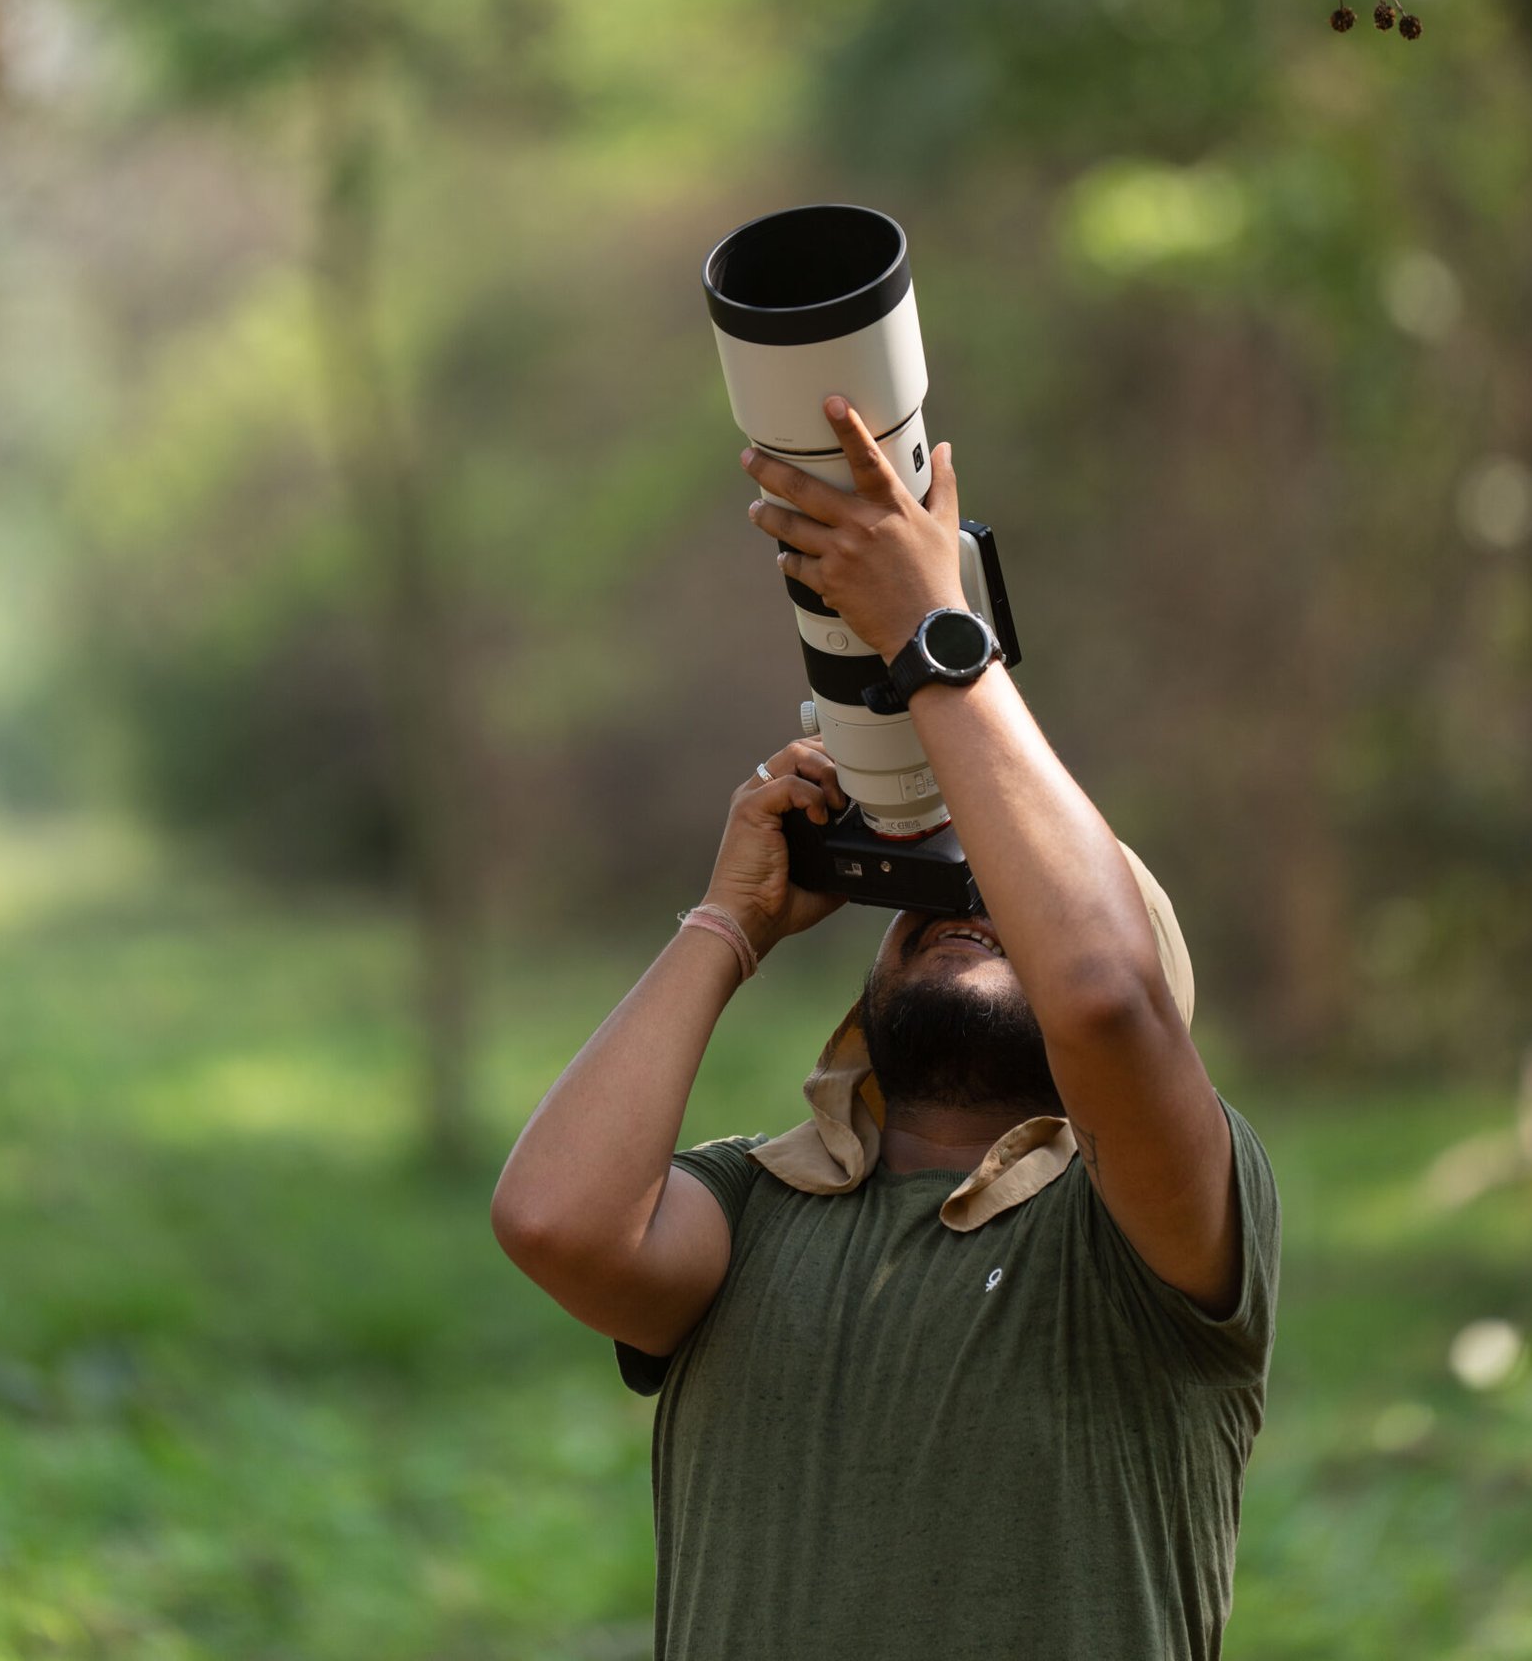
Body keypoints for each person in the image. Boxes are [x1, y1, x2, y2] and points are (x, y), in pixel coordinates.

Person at [492, 397, 1280, 1661]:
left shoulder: (1144, 1236)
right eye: (946, 891)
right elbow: (552, 1222)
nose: (977, 905)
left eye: (1017, 906)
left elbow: (1104, 1002)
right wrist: (727, 923)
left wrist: (935, 635)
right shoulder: (753, 1211)